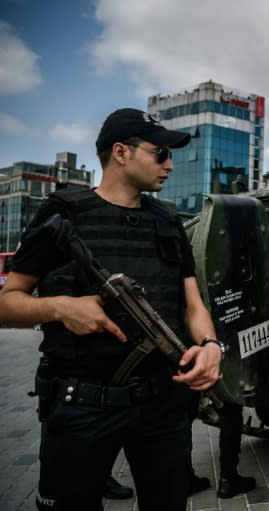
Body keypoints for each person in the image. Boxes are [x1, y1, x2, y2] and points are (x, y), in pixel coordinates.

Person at [0, 108, 224, 511]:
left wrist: (210, 345)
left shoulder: (168, 221)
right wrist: (61, 308)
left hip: (163, 404)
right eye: (160, 154)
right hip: (82, 405)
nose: (170, 164)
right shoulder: (62, 214)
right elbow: (8, 302)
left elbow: (193, 303)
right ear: (121, 152)